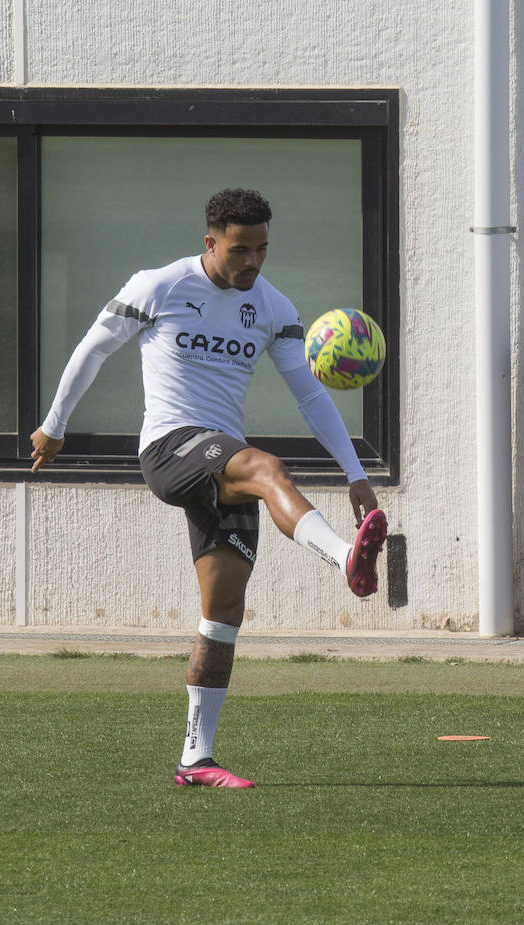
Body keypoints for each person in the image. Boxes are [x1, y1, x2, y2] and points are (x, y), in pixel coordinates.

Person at [29, 188, 387, 789]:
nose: (253, 262)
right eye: (241, 249)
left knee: (222, 614)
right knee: (268, 469)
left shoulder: (272, 308)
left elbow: (309, 395)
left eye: (263, 249)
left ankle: (195, 759)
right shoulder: (160, 287)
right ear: (211, 243)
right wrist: (54, 426)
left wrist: (355, 472)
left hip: (221, 458)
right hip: (170, 446)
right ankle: (344, 555)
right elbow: (93, 348)